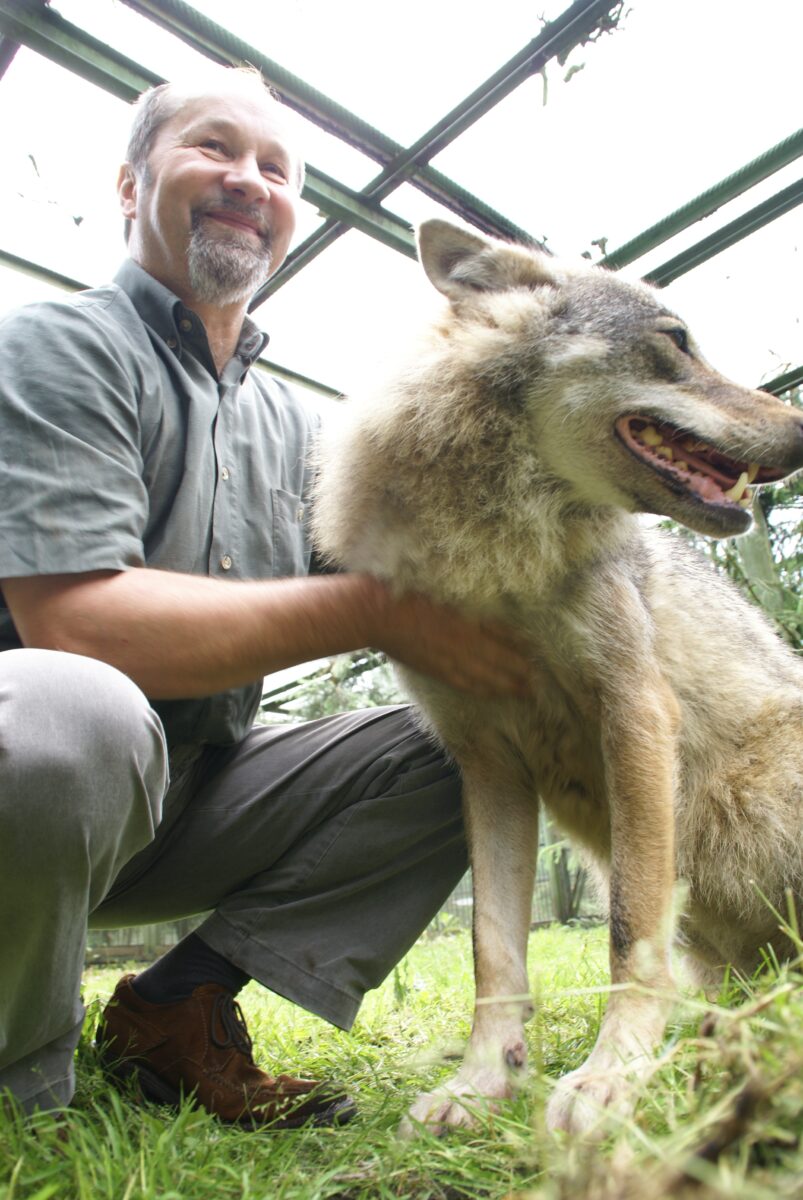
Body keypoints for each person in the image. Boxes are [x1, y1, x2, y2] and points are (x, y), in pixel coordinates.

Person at [0, 66, 534, 1128]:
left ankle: (174, 1008)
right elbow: (81, 624)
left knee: (467, 737)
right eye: (213, 148)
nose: (249, 179)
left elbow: (418, 580)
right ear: (127, 184)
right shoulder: (56, 349)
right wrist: (371, 612)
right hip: (42, 795)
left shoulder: (300, 430)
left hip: (196, 793)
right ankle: (22, 1090)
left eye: (277, 167)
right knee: (80, 706)